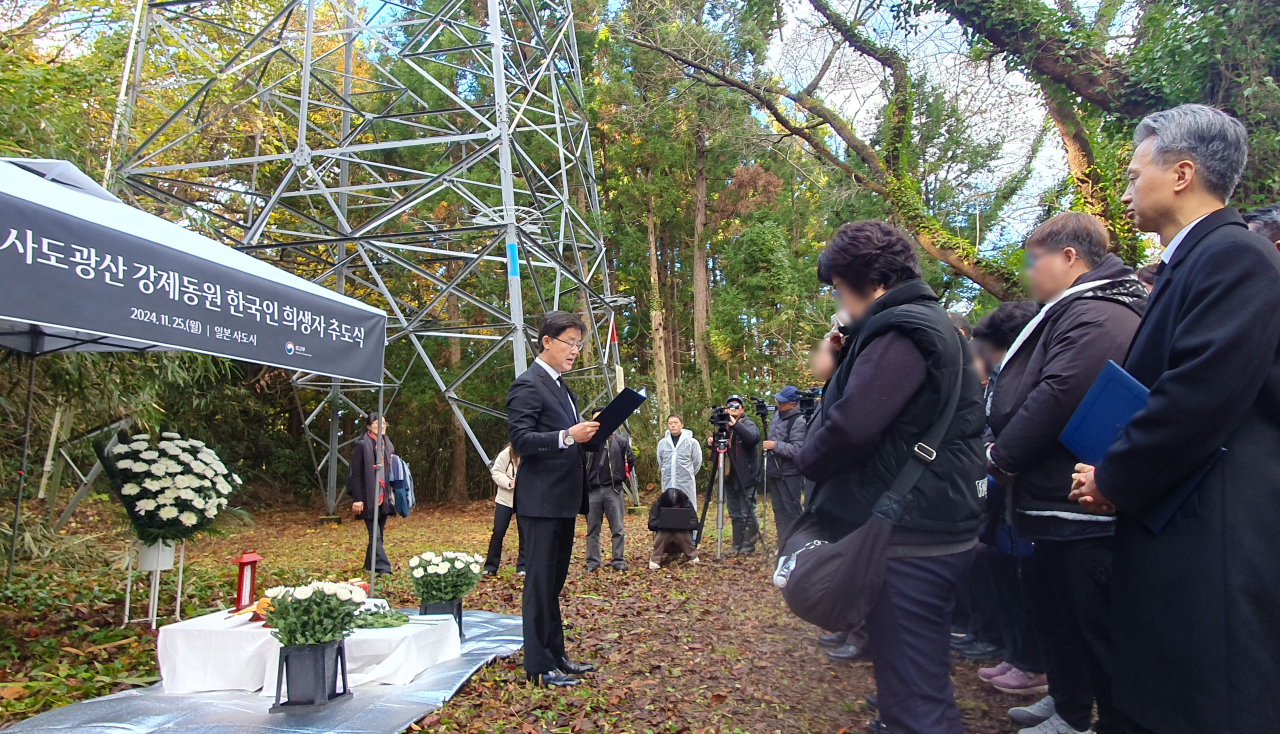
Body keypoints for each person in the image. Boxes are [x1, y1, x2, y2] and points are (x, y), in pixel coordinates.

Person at [1069, 104, 1280, 734]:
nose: (1127, 191)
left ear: (1182, 173)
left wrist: (1116, 475)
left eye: (1135, 177)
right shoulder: (1191, 264)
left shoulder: (1236, 258)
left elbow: (1196, 394)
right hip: (1174, 516)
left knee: (1197, 702)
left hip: (1210, 530)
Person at [798, 220, 986, 734]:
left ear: (867, 281)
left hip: (913, 537)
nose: (840, 301)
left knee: (916, 698)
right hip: (927, 522)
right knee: (912, 677)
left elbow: (853, 424)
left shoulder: (902, 330)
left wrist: (804, 458)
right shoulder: (921, 323)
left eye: (839, 289)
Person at [986, 213, 1147, 732]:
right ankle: (1069, 705)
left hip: (1076, 502)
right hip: (1048, 502)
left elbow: (1059, 394)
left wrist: (1001, 457)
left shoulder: (1100, 313)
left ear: (1070, 257)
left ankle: (1106, 719)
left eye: (1036, 260)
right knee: (1055, 616)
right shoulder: (1069, 309)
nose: (1030, 273)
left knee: (1089, 626)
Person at [506, 311, 601, 688]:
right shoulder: (528, 384)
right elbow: (522, 441)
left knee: (554, 583)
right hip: (540, 502)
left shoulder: (562, 386)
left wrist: (595, 431)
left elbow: (573, 437)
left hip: (562, 500)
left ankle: (556, 654)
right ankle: (538, 665)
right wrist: (566, 436)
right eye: (570, 343)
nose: (576, 351)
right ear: (547, 342)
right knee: (540, 584)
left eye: (579, 344)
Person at [707, 395, 761, 554]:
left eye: (737, 405)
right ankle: (737, 545)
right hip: (729, 476)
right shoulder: (724, 427)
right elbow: (718, 454)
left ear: (742, 409)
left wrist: (735, 424)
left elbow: (753, 439)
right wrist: (711, 443)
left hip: (746, 477)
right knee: (735, 513)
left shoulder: (748, 424)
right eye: (730, 405)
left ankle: (748, 545)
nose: (733, 407)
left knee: (747, 512)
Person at [584, 409, 634, 572]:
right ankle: (593, 562)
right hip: (592, 491)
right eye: (595, 419)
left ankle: (618, 560)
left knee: (618, 528)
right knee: (592, 529)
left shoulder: (620, 441)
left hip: (613, 490)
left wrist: (620, 478)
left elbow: (629, 462)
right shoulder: (587, 442)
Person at [346, 412, 395, 575]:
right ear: (369, 426)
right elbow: (356, 474)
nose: (382, 426)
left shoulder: (387, 444)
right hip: (368, 497)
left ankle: (369, 565)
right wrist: (358, 499)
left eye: (384, 423)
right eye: (377, 423)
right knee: (375, 534)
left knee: (378, 533)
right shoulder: (361, 445)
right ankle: (383, 568)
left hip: (383, 495)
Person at [762, 385, 807, 542]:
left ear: (793, 404)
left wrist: (774, 446)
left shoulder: (799, 420)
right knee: (779, 510)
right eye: (778, 401)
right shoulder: (777, 415)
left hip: (790, 473)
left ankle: (797, 544)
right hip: (775, 471)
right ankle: (783, 544)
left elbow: (798, 450)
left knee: (792, 511)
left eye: (782, 402)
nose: (779, 405)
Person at [483, 443, 525, 577]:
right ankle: (490, 567)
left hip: (525, 500)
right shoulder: (507, 453)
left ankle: (523, 567)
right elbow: (496, 471)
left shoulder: (532, 452)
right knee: (498, 531)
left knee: (525, 533)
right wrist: (508, 482)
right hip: (505, 499)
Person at [647, 487, 700, 569]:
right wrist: (663, 522)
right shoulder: (658, 503)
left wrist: (683, 523)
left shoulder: (687, 503)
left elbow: (695, 523)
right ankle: (655, 560)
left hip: (682, 534)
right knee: (664, 535)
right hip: (664, 533)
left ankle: (692, 556)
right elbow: (651, 524)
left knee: (680, 534)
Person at [657, 414, 701, 507]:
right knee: (669, 506)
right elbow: (661, 462)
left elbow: (697, 461)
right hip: (668, 481)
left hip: (686, 482)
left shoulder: (692, 442)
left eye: (676, 423)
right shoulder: (662, 443)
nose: (673, 425)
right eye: (670, 423)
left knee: (687, 506)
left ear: (682, 425)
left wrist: (688, 473)